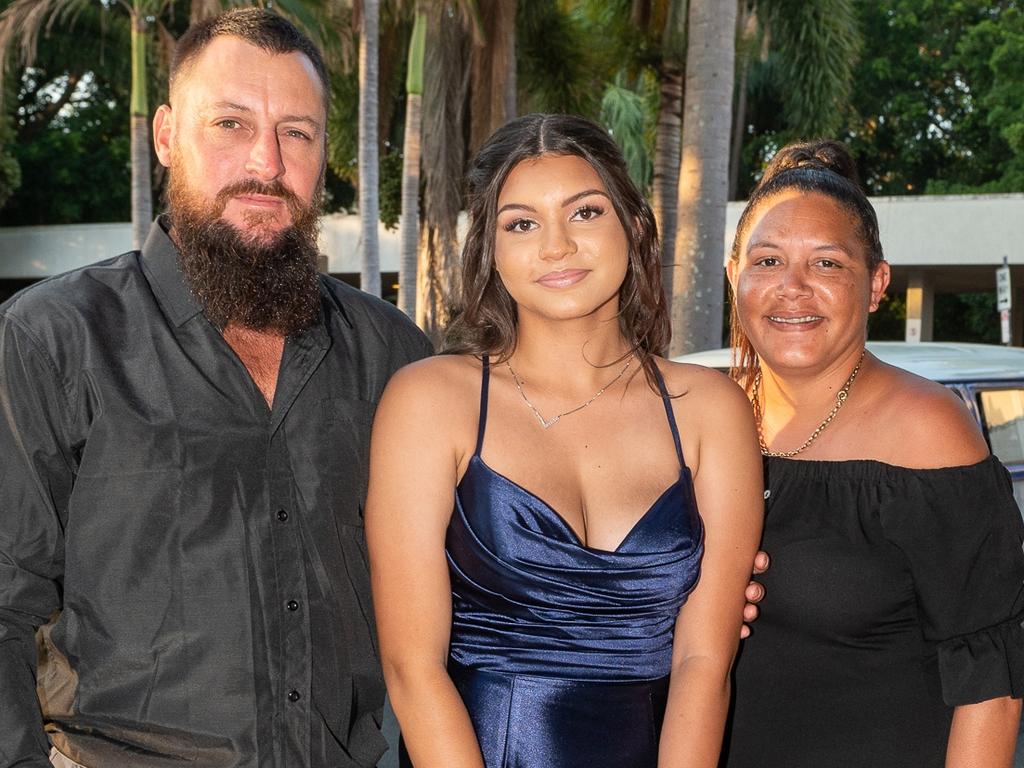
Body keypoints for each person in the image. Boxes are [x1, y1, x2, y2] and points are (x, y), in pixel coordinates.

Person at [0, 9, 432, 768]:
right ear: (166, 134)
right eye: (230, 123)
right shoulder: (53, 338)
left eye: (296, 132)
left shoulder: (392, 353)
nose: (266, 162)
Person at [364, 114, 764, 768]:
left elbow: (703, 663)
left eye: (583, 213)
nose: (556, 246)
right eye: (522, 223)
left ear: (633, 227)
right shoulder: (431, 402)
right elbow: (412, 667)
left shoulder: (710, 411)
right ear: (491, 250)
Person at [721, 139, 1024, 768]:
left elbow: (990, 680)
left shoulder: (927, 428)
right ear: (733, 273)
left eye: (827, 264)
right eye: (768, 260)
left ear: (877, 283)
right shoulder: (706, 415)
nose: (792, 288)